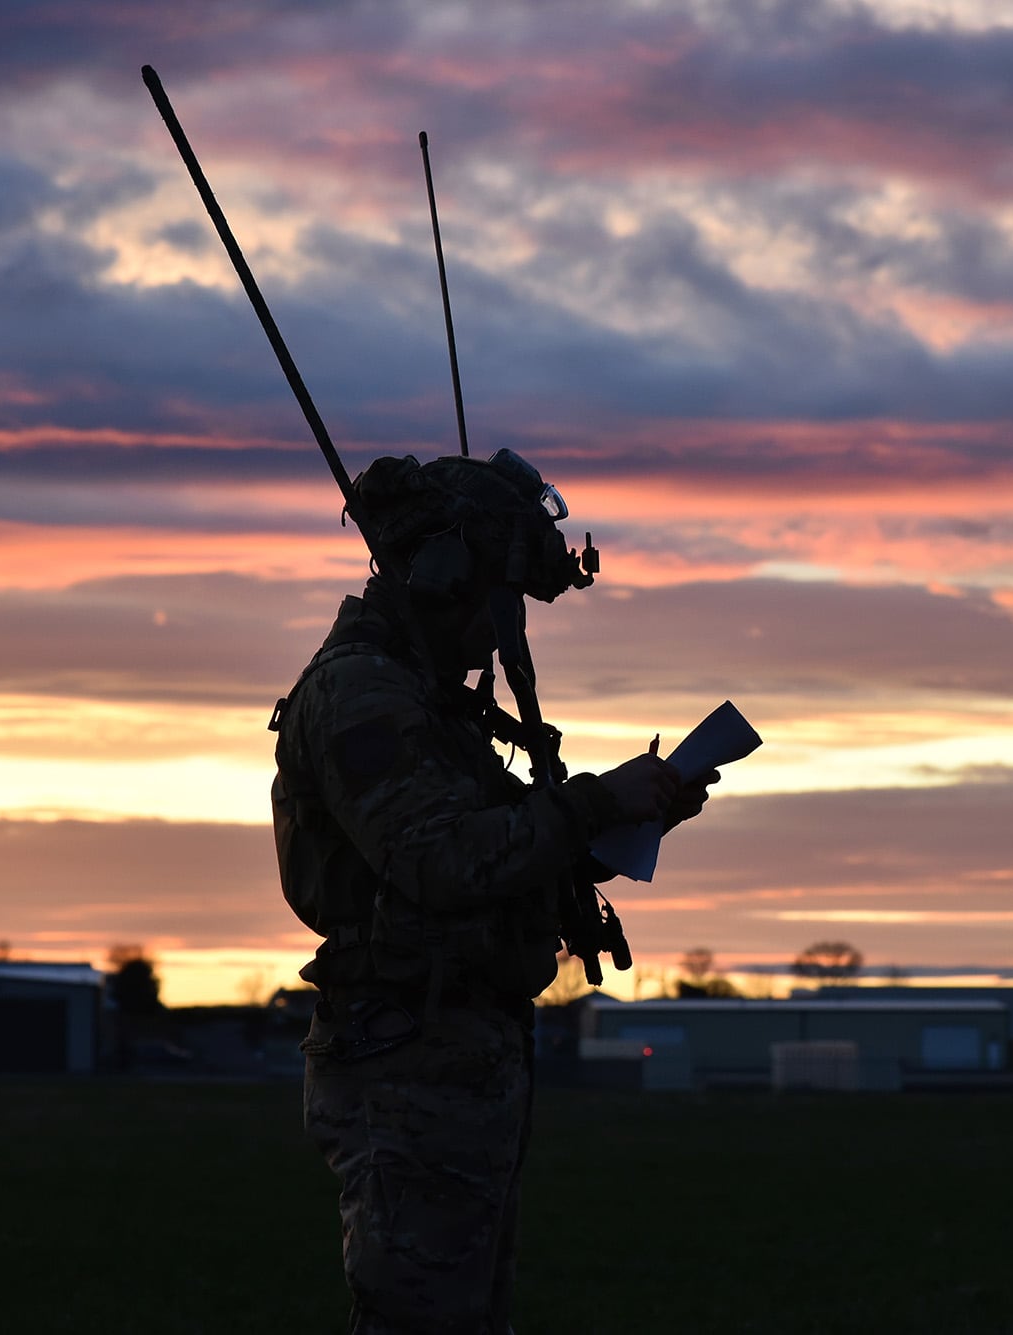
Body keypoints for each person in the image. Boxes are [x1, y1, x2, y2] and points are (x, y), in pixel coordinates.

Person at [270, 448, 714, 1333]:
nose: (503, 626)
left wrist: (632, 816)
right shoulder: (364, 695)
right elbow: (442, 860)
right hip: (409, 1064)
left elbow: (507, 855)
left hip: (458, 1059)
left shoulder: (429, 705)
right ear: (441, 581)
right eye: (497, 595)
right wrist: (590, 801)